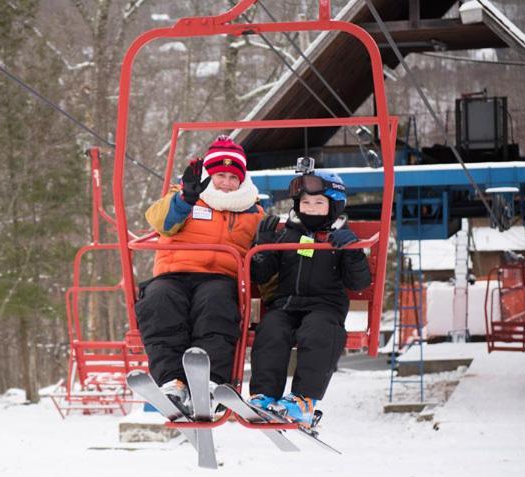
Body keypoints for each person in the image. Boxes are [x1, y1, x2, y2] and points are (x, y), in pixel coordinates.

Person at [135, 135, 263, 414]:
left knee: (215, 304)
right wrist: (184, 198)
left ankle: (212, 381)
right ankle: (172, 381)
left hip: (220, 277)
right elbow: (159, 221)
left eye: (233, 177)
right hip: (174, 273)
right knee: (158, 301)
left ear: (241, 180)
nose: (227, 183)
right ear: (209, 176)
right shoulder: (186, 197)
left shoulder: (252, 211)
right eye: (220, 176)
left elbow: (264, 249)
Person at [248, 168, 371, 424]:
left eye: (318, 203)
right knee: (271, 328)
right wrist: (262, 247)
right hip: (287, 305)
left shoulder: (340, 238)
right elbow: (261, 275)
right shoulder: (287, 234)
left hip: (325, 307)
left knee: (317, 332)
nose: (311, 208)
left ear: (333, 206)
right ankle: (264, 395)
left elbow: (358, 283)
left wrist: (352, 251)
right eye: (305, 202)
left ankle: (303, 398)